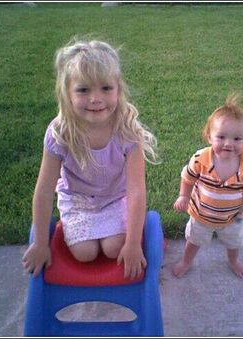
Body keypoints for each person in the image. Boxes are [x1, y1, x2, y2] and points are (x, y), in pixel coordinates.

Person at [22, 37, 159, 280]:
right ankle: (87, 234)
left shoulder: (128, 130)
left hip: (116, 198)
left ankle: (117, 237)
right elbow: (43, 190)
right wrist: (41, 244)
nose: (96, 99)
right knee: (85, 253)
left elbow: (136, 190)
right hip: (77, 201)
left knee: (114, 248)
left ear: (118, 89)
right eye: (83, 90)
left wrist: (133, 244)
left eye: (106, 88)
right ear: (67, 93)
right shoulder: (60, 133)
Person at [172, 93, 243, 279]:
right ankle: (187, 261)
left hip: (233, 217)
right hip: (201, 215)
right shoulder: (200, 159)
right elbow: (187, 178)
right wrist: (183, 196)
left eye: (237, 139)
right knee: (194, 241)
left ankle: (233, 261)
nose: (228, 144)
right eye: (221, 137)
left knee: (234, 243)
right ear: (209, 136)